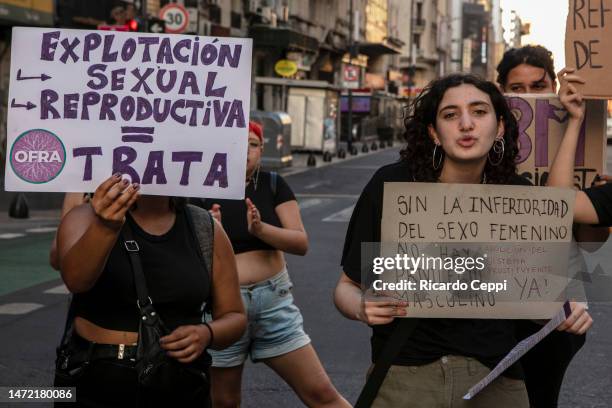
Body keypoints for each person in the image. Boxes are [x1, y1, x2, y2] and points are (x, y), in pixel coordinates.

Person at [333, 73, 595, 407]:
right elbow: (345, 287)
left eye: (479, 112)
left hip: (495, 379)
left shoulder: (520, 198)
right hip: (405, 379)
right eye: (450, 115)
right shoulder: (391, 186)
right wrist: (360, 306)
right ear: (434, 133)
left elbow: (540, 306)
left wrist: (567, 311)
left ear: (500, 127)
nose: (466, 124)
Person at [54, 177, 246, 407]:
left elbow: (235, 316)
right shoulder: (83, 218)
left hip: (180, 385)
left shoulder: (205, 227)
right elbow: (76, 281)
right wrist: (106, 227)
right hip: (96, 382)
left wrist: (207, 334)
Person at [195, 121, 350, 408]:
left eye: (253, 145)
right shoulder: (201, 186)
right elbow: (183, 253)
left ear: (262, 149)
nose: (246, 151)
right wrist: (209, 230)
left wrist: (261, 230)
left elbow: (300, 242)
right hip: (222, 307)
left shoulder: (273, 184)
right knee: (224, 401)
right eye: (239, 143)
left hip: (274, 303)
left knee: (321, 393)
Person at [496, 45, 596, 407]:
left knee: (539, 396)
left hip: (556, 301)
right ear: (500, 90)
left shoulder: (583, 139)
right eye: (516, 88)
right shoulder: (482, 141)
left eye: (538, 87)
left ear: (553, 86)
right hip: (494, 301)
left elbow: (590, 240)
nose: (527, 97)